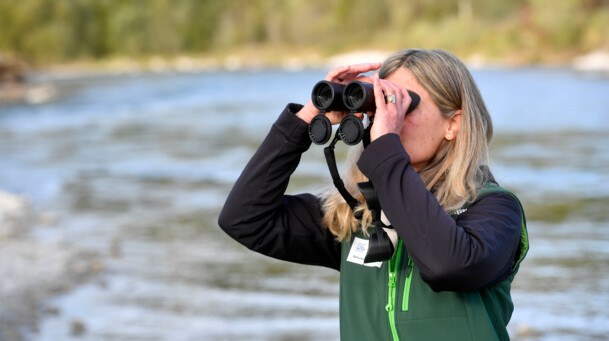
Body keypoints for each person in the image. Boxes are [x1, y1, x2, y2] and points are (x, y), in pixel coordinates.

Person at [218, 48, 528, 341]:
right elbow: (244, 219)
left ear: (453, 124)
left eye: (402, 105)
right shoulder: (359, 216)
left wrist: (386, 151)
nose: (386, 118)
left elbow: (447, 265)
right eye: (380, 105)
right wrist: (306, 120)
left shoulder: (495, 209)